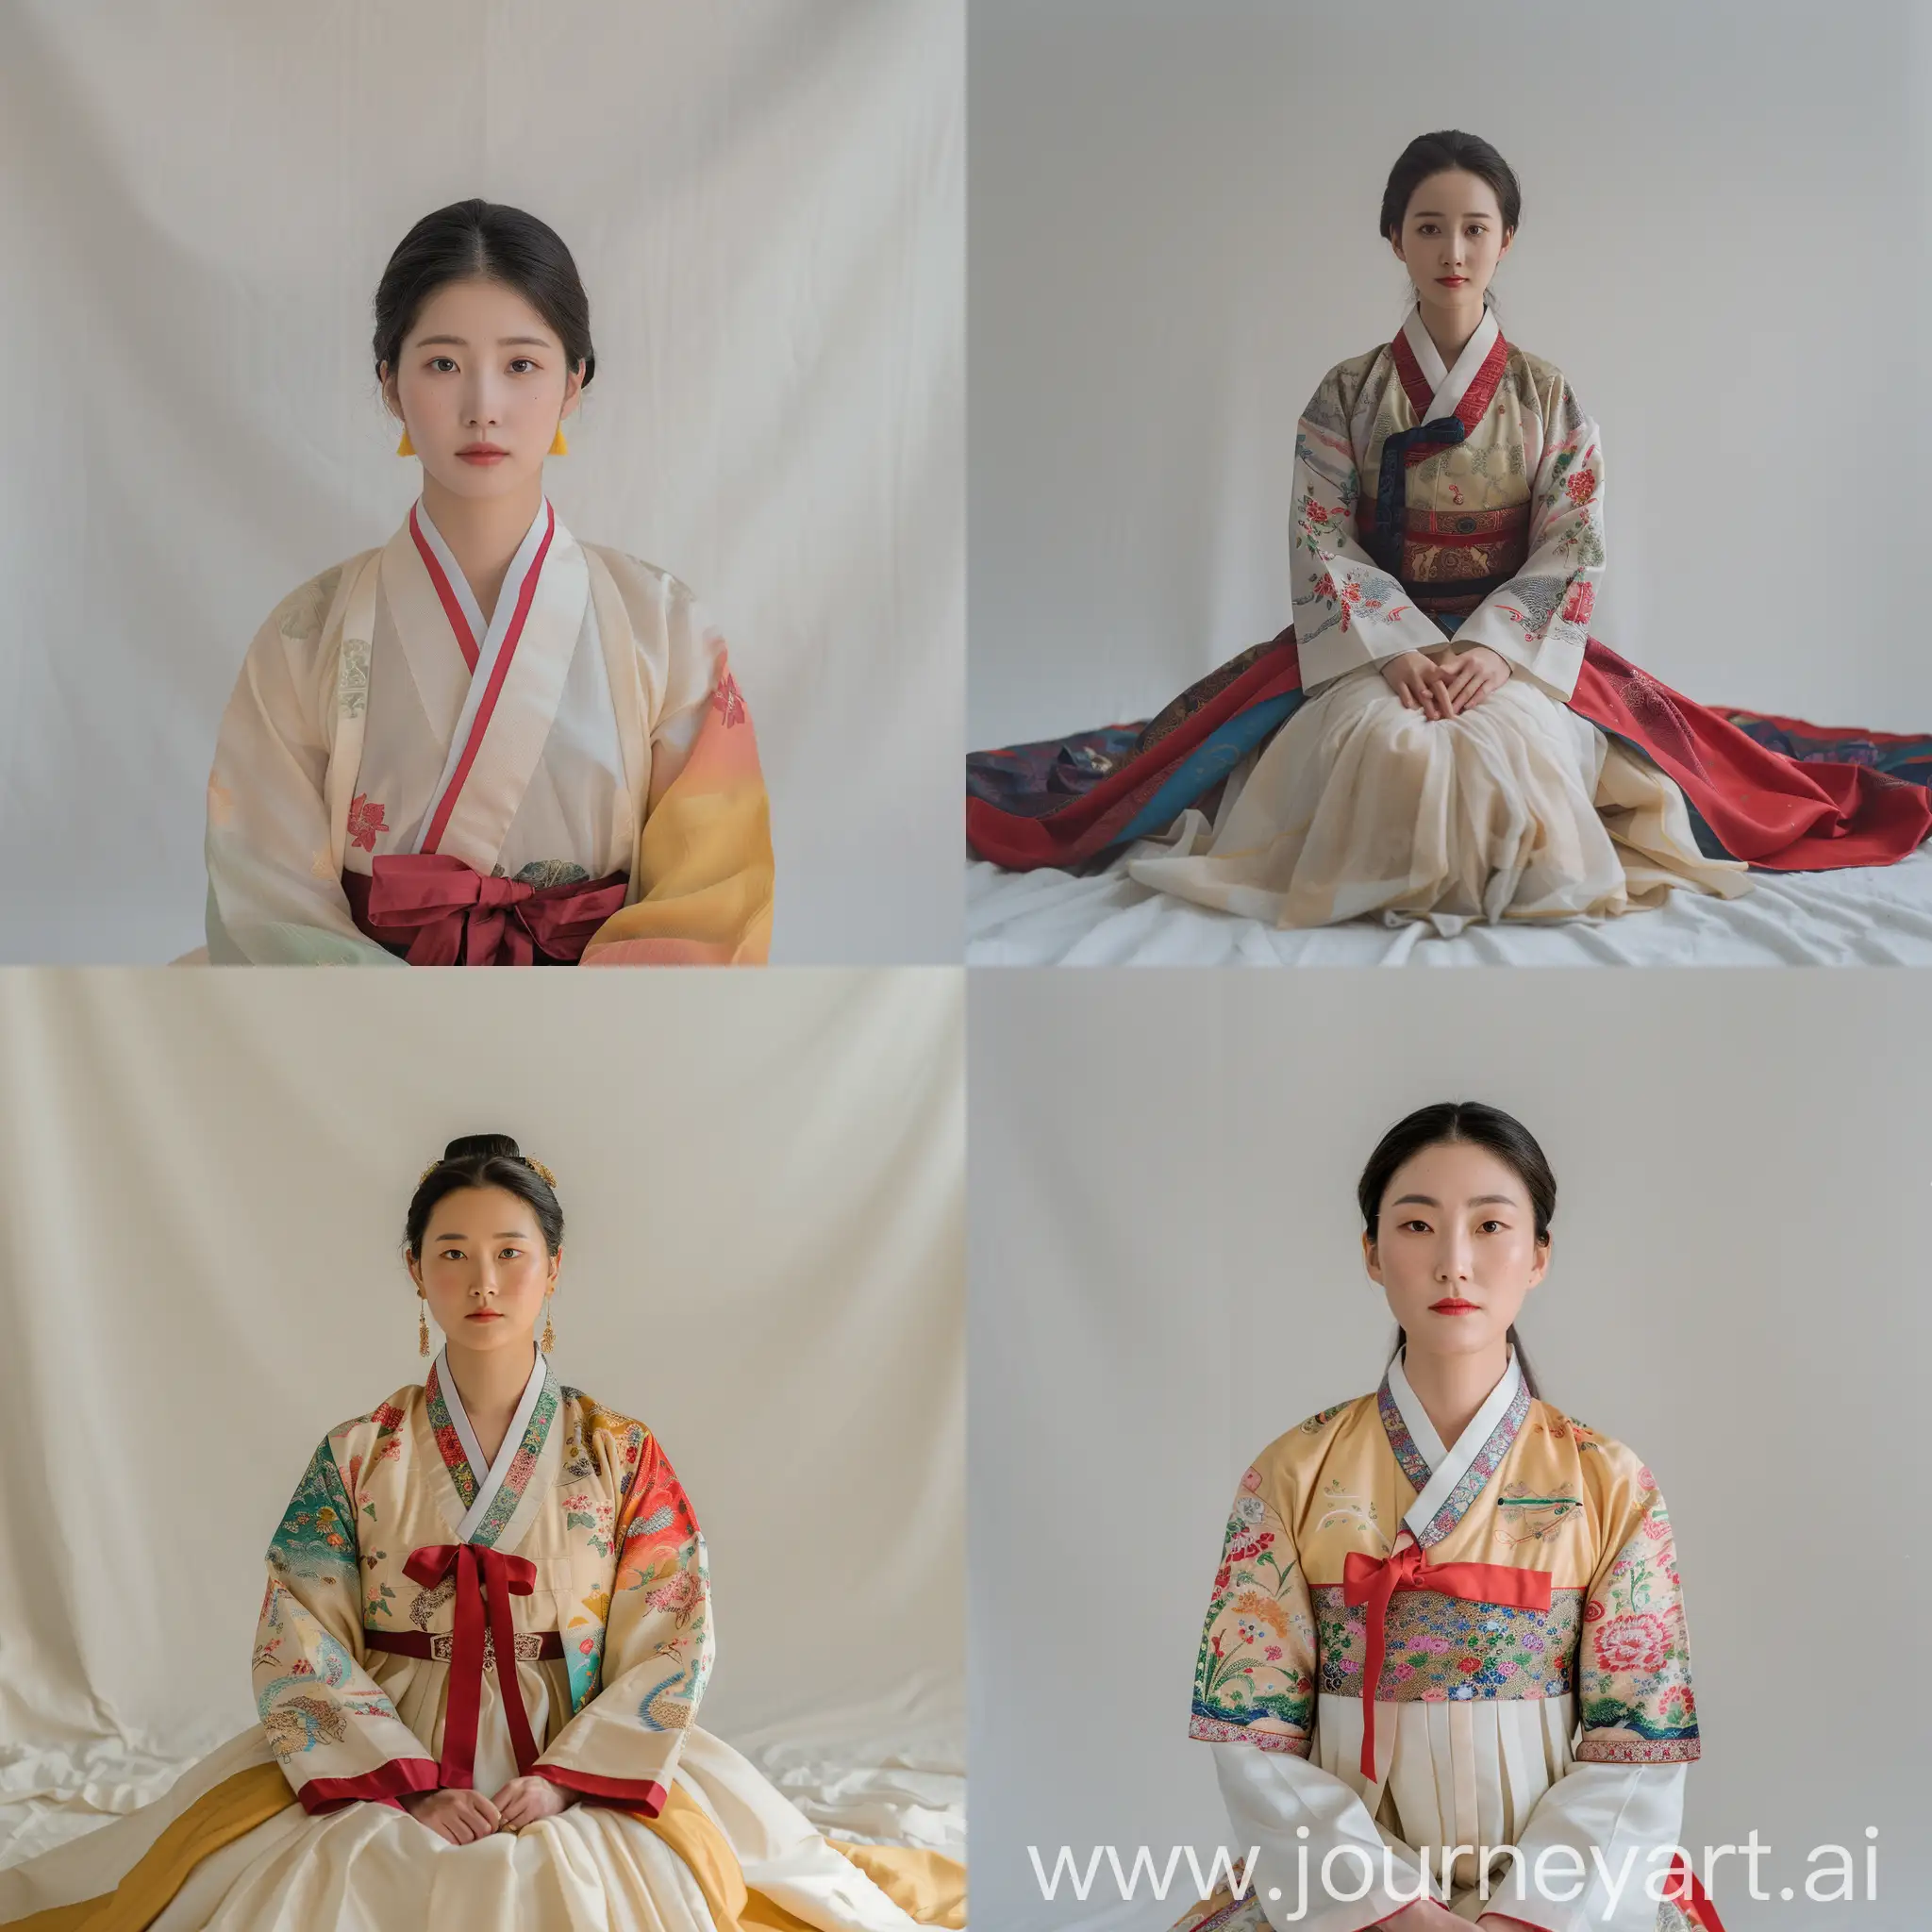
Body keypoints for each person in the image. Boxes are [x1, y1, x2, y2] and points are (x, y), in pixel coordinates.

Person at [966, 132, 1929, 927]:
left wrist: (1492, 652)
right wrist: (1392, 650)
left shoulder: (1544, 395)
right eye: (1429, 227)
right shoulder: (1344, 395)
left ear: (1505, 238)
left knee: (1509, 750)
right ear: (1394, 239)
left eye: (1473, 228)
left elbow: (1572, 542)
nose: (1452, 251)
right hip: (1372, 651)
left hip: (1506, 649)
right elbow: (1320, 536)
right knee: (1388, 750)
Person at [0, 1137, 961, 1931]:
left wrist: (559, 1781)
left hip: (570, 1735)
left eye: (510, 1250)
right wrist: (412, 1787)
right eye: (452, 1251)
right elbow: (296, 1629)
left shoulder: (620, 1453)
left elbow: (673, 1631)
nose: (483, 1278)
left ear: (553, 1268)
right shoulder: (359, 1451)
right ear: (413, 1269)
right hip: (386, 1736)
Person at [1167, 1104, 1724, 1931]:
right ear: (1371, 1252)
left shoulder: (1610, 1481)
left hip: (1563, 1903)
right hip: (1341, 1897)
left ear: (1538, 1256)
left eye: (1491, 1225)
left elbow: (1635, 1749)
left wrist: (1524, 1916)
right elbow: (1255, 1744)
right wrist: (1397, 1913)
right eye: (1418, 1225)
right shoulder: (1291, 1474)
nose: (1454, 1264)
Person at [205, 200, 774, 966]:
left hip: (595, 1031)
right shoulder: (305, 635)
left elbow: (713, 892)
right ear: (390, 384)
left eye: (521, 365)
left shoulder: (663, 627)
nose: (483, 409)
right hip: (369, 1034)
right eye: (443, 364)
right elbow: (265, 895)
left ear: (574, 382)